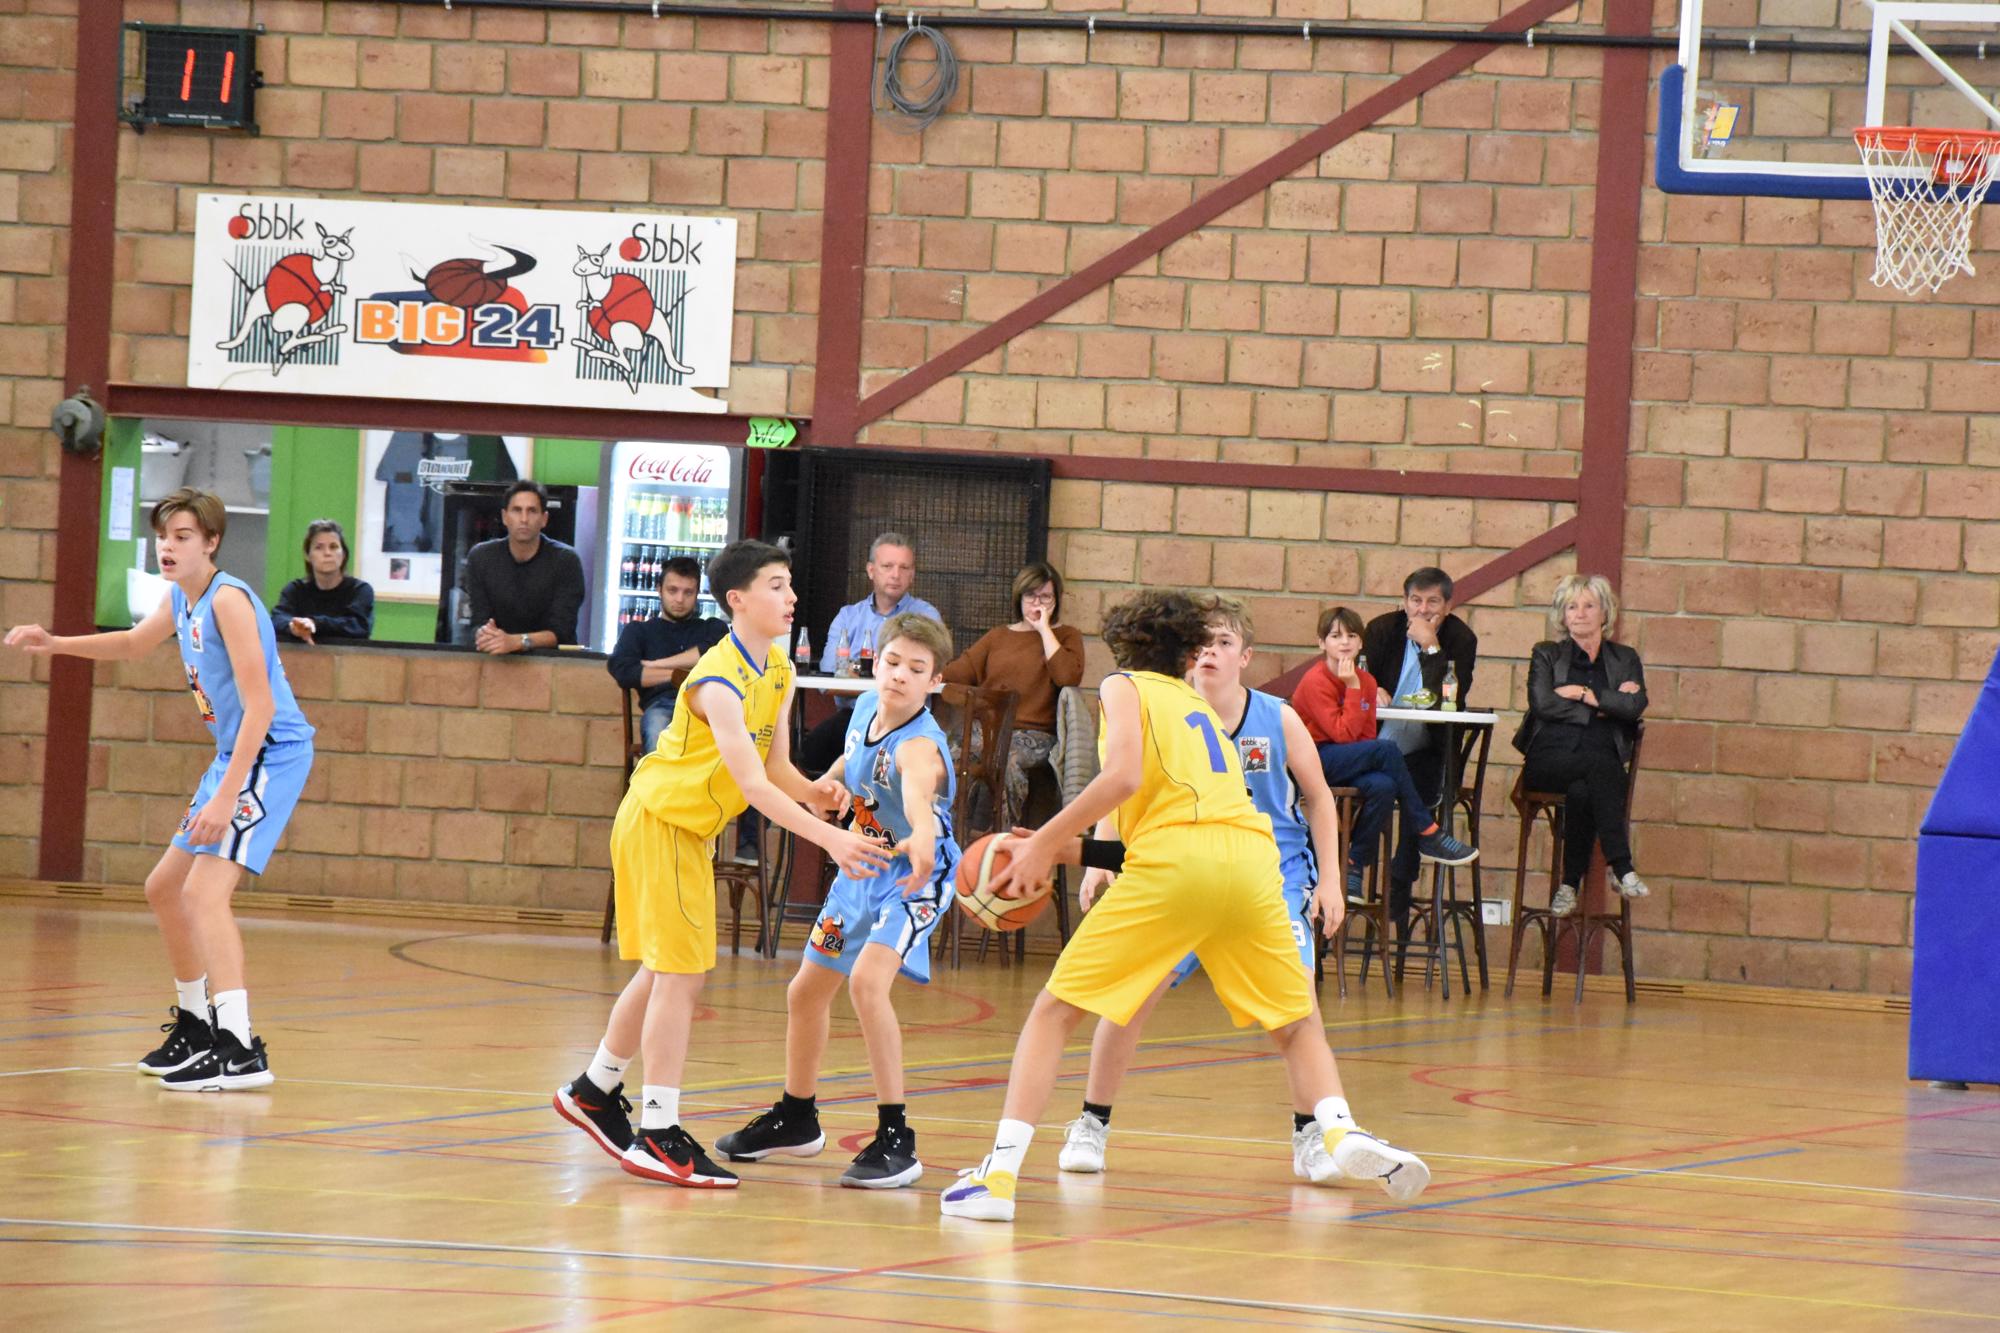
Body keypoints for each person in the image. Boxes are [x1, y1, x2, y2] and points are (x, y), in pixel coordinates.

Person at [938, 590, 1430, 1223]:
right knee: (1295, 1020)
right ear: (1190, 652)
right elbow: (1172, 821)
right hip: (1251, 865)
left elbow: (1122, 781)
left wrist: (1046, 841)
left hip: (1177, 866)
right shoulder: (1198, 708)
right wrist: (1062, 851)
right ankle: (1338, 1127)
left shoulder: (1124, 687)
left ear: (1124, 644)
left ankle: (998, 1177)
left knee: (1054, 1013)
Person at [551, 540, 893, 1190]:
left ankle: (595, 1089)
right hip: (660, 821)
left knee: (666, 970)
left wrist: (815, 791)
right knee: (682, 976)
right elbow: (754, 789)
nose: (791, 596)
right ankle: (658, 1132)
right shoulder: (718, 679)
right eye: (776, 585)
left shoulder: (780, 669)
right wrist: (830, 838)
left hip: (687, 830)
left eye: (790, 584)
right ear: (738, 599)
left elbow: (774, 769)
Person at [5, 488, 315, 1091]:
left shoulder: (229, 601)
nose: (166, 548)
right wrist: (57, 643)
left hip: (270, 754)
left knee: (203, 894)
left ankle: (240, 1048)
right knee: (164, 888)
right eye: (162, 537)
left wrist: (225, 797)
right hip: (233, 756)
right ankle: (196, 1027)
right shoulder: (180, 597)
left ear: (212, 542)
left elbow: (260, 707)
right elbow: (131, 643)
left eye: (181, 537)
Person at [1054, 595, 1355, 1185]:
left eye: (1225, 643)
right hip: (1182, 870)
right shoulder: (1166, 708)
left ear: (1246, 657)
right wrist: (1099, 856)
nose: (1212, 652)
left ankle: (1310, 1134)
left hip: (1270, 876)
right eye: (1205, 642)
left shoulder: (1277, 717)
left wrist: (1331, 880)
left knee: (1298, 1004)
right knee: (1132, 996)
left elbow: (1319, 798)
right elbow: (1124, 781)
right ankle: (1092, 1122)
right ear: (1189, 655)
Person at [715, 613, 960, 1190]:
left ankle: (897, 1137)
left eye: (916, 669)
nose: (899, 675)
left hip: (912, 876)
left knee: (867, 984)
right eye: (892, 662)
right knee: (805, 992)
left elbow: (918, 791)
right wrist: (829, 782)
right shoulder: (866, 710)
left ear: (935, 683)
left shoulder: (921, 744)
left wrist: (923, 837)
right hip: (861, 866)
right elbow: (855, 759)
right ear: (876, 664)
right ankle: (797, 1116)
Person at [1291, 606, 1476, 901]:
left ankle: (1354, 864)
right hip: (1316, 758)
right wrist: (1352, 688)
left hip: (1348, 757)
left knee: (1384, 785)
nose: (1344, 642)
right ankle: (1427, 830)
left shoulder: (1367, 682)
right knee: (1387, 749)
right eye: (1336, 636)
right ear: (1321, 643)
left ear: (1361, 642)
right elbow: (1342, 734)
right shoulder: (1316, 680)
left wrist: (1358, 686)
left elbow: (1365, 735)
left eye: (1352, 635)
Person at [1516, 573, 1651, 917]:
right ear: (1562, 615)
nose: (1580, 613)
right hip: (1550, 760)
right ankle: (1621, 867)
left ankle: (1569, 884)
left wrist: (1583, 694)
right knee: (1602, 769)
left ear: (1605, 613)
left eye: (1589, 606)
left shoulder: (1624, 658)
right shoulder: (1546, 654)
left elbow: (1635, 706)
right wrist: (1606, 704)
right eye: (1571, 607)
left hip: (1596, 766)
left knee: (1584, 790)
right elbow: (1542, 704)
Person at [1363, 567, 1478, 924]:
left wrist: (1431, 647)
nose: (1422, 610)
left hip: (1428, 744)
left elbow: (1449, 701)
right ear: (1404, 602)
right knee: (1392, 779)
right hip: (1376, 741)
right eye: (1415, 601)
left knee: (1420, 777)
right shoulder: (1382, 630)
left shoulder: (1461, 639)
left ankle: (1400, 872)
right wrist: (1371, 688)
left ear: (1448, 606)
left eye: (1432, 602)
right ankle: (1392, 868)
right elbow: (1356, 677)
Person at [941, 561, 1084, 828]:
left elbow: (1067, 676)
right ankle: (950, 835)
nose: (1037, 604)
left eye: (1045, 597)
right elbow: (961, 670)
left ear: (1056, 600)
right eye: (1031, 596)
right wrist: (927, 672)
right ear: (1019, 597)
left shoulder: (1066, 636)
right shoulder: (998, 636)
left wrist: (1044, 630)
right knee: (949, 756)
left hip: (1035, 734)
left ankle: (1004, 838)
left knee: (1006, 761)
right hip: (987, 730)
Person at [796, 532, 941, 776]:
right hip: (854, 715)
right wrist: (883, 679)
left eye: (904, 567)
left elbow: (930, 672)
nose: (895, 574)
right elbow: (828, 677)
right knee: (810, 753)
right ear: (871, 570)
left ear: (912, 575)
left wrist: (856, 672)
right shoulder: (848, 616)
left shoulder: (926, 617)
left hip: (906, 719)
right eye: (887, 566)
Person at [606, 555, 728, 752]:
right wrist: (681, 676)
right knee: (657, 726)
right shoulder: (639, 631)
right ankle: (659, 774)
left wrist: (656, 664)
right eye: (673, 590)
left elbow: (712, 652)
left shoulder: (712, 628)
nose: (679, 599)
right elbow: (624, 671)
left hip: (707, 706)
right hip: (662, 705)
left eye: (688, 592)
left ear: (697, 594)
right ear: (659, 589)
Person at [465, 480, 586, 654]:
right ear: (504, 517)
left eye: (532, 511)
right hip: (495, 657)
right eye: (517, 510)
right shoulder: (481, 557)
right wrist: (484, 634)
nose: (524, 519)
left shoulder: (566, 560)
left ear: (544, 519)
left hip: (554, 662)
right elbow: (478, 620)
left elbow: (561, 631)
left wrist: (516, 642)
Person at [271, 519, 374, 643]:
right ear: (308, 555)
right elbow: (277, 619)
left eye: (333, 547)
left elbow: (359, 626)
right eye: (319, 547)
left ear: (344, 554)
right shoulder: (294, 590)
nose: (327, 553)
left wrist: (315, 623)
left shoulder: (360, 590)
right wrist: (294, 627)